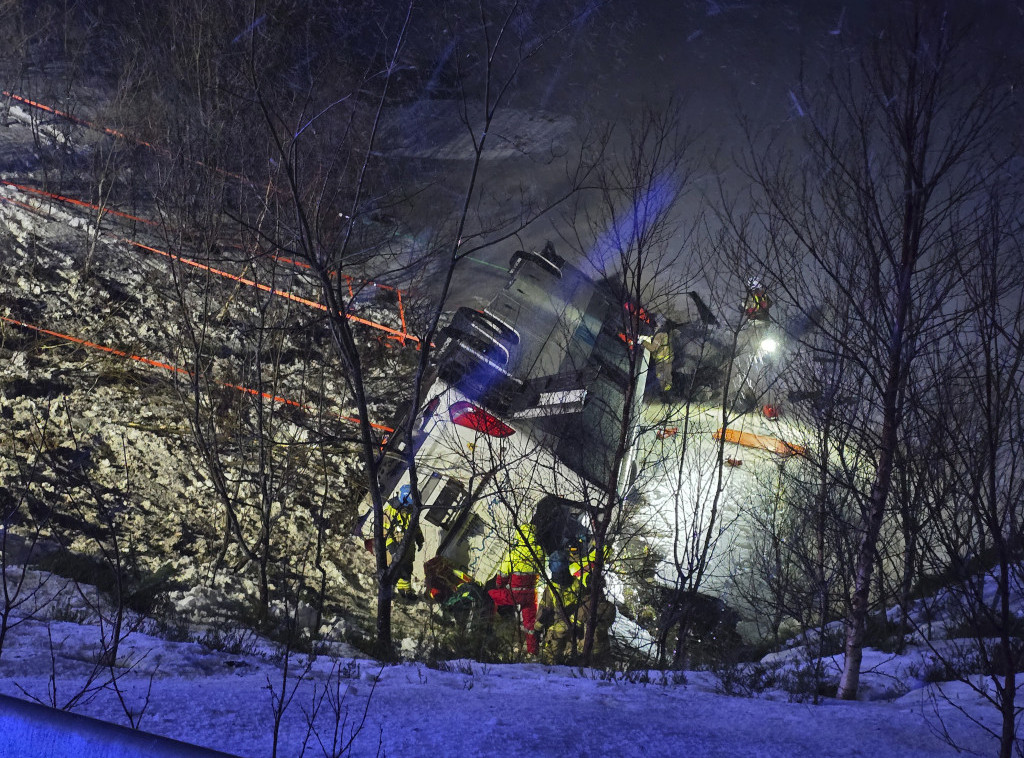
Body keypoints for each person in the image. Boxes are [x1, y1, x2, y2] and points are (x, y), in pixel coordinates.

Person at [488, 524, 545, 656]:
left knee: (490, 596)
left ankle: (488, 628)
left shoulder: (514, 554)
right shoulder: (539, 552)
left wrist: (499, 585)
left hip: (515, 594)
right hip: (531, 594)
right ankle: (533, 652)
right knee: (530, 624)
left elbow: (502, 576)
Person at [384, 484, 423, 601]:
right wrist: (393, 549)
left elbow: (415, 526)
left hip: (408, 550)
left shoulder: (411, 512)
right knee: (394, 572)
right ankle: (387, 592)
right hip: (394, 551)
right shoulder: (389, 513)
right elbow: (385, 534)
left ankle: (406, 591)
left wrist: (419, 539)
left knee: (407, 571)